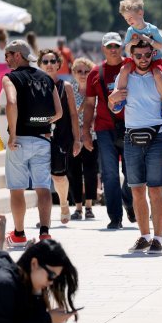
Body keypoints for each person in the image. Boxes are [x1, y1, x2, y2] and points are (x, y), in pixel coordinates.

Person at [108, 40, 162, 255]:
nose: (143, 59)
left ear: (153, 55)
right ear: (131, 55)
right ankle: (144, 236)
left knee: (156, 189)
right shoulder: (124, 77)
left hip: (157, 136)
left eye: (146, 55)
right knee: (137, 189)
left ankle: (158, 239)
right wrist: (112, 100)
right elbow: (115, 108)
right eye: (138, 55)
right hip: (131, 137)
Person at [2, 41, 63, 245]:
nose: (6, 59)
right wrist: (43, 123)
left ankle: (19, 235)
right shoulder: (46, 78)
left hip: (18, 140)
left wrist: (12, 135)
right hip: (42, 140)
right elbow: (59, 112)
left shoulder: (10, 77)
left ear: (18, 55)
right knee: (43, 187)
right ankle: (45, 233)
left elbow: (11, 103)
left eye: (8, 55)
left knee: (17, 189)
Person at [83, 32, 134, 230]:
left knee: (132, 174)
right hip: (104, 128)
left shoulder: (131, 67)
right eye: (109, 46)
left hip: (131, 127)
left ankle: (129, 201)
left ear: (121, 47)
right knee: (109, 174)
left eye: (116, 46)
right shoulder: (96, 72)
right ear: (103, 49)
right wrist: (85, 132)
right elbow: (89, 104)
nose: (113, 49)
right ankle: (115, 217)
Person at [38, 49, 82, 226]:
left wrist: (77, 139)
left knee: (58, 176)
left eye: (52, 61)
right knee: (40, 178)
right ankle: (44, 216)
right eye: (45, 61)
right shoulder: (36, 85)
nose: (49, 65)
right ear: (40, 65)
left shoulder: (67, 87)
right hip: (39, 136)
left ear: (58, 64)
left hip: (62, 136)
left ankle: (64, 204)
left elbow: (73, 114)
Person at [115, 0, 162, 117]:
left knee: (157, 74)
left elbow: (160, 46)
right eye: (126, 19)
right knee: (124, 70)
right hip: (136, 59)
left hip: (154, 58)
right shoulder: (130, 31)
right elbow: (127, 49)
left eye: (130, 18)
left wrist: (147, 40)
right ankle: (121, 97)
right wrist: (131, 44)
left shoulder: (152, 29)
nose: (129, 21)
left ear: (140, 13)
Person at [68, 58, 98, 221]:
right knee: (74, 172)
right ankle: (78, 206)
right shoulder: (69, 89)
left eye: (86, 71)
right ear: (73, 73)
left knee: (91, 171)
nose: (83, 74)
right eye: (79, 71)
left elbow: (98, 111)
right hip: (73, 137)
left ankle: (89, 206)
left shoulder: (95, 88)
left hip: (93, 135)